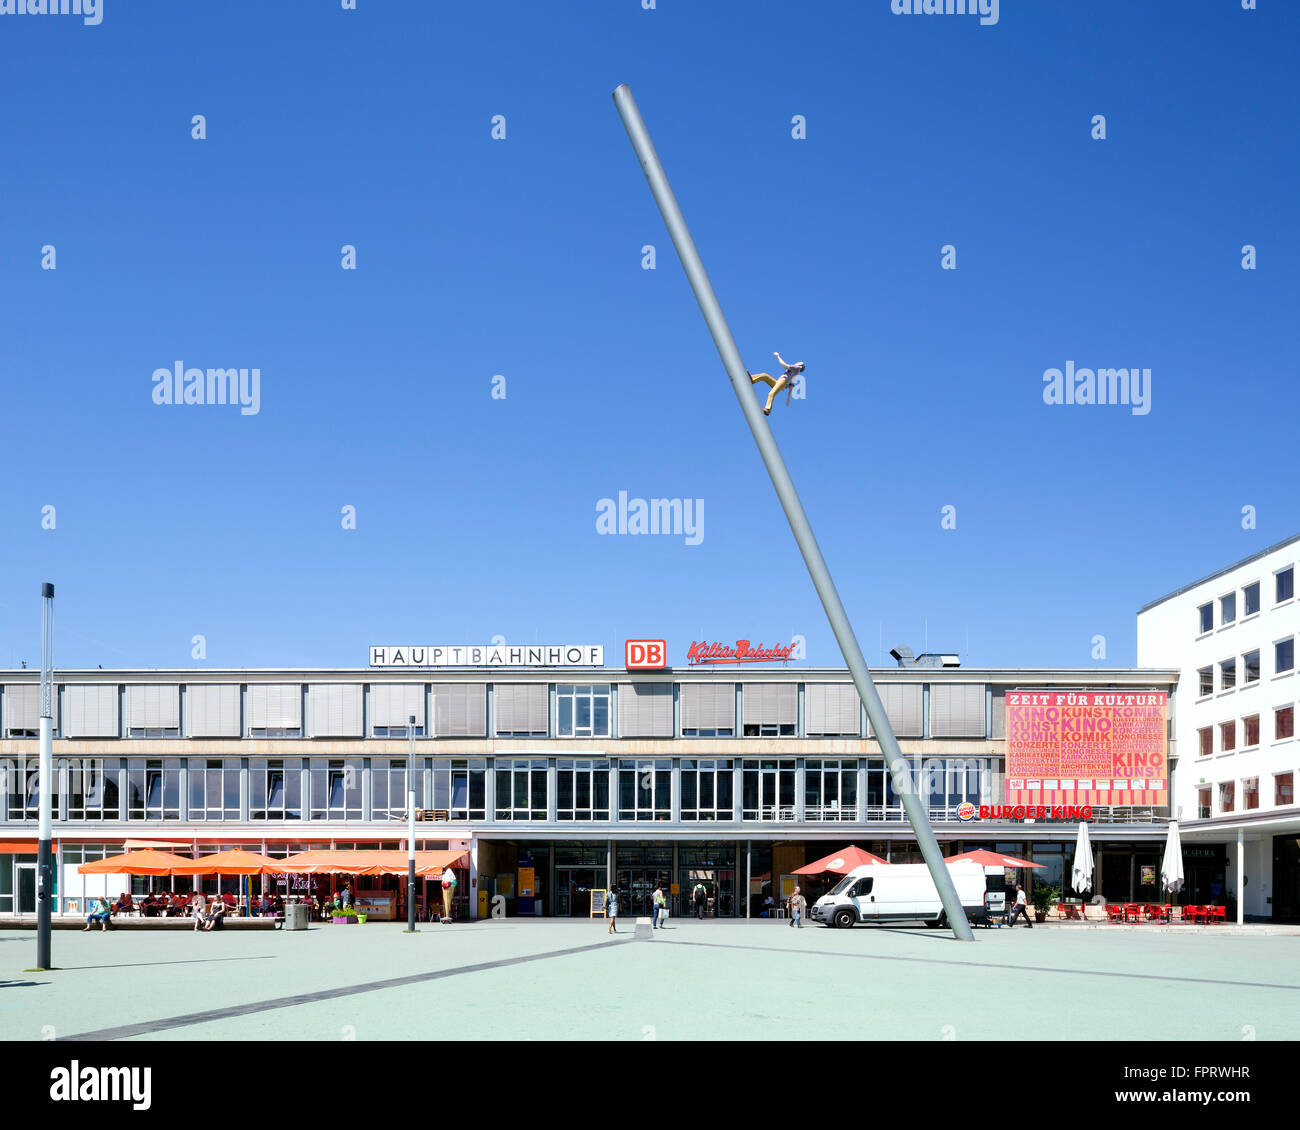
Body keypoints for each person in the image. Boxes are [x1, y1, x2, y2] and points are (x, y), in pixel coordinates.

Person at [748, 351, 806, 416]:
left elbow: (785, 365)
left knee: (771, 394)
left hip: (783, 382)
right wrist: (788, 399)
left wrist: (778, 356)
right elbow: (791, 386)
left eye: (800, 363)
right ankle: (752, 379)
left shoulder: (796, 367)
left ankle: (768, 409)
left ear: (801, 366)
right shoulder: (795, 373)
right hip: (779, 382)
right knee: (764, 376)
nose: (798, 362)